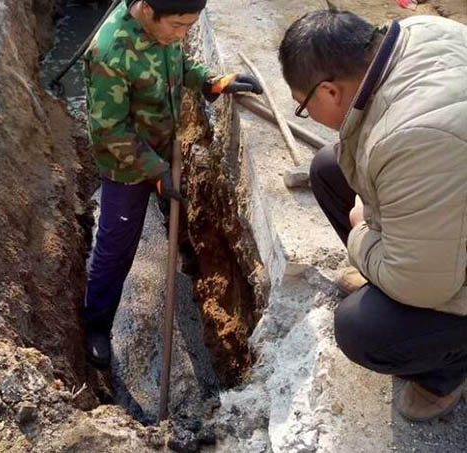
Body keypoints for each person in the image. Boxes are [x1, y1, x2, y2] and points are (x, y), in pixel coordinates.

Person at [279, 9, 467, 421]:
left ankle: (447, 371)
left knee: (362, 331)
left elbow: (419, 284)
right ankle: (390, 272)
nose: (308, 115)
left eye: (303, 106)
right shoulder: (420, 31)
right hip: (447, 201)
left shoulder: (415, 136)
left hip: (438, 260)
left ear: (329, 91)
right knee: (328, 169)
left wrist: (361, 230)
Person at [82, 0, 262, 370]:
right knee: (116, 248)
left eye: (190, 26)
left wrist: (212, 81)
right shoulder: (109, 53)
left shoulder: (166, 28)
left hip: (163, 146)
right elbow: (109, 130)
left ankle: (183, 256)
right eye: (179, 25)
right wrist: (156, 171)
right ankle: (96, 325)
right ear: (148, 10)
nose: (183, 34)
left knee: (176, 211)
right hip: (127, 166)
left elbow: (175, 65)